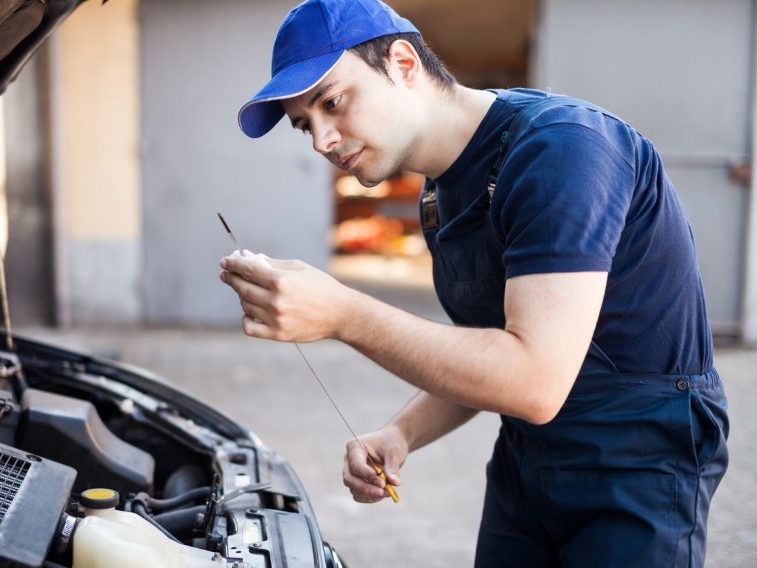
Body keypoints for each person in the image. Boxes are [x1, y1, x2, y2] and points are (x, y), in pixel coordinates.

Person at [219, 0, 730, 565]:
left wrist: (343, 314)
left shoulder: (561, 151)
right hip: (529, 458)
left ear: (403, 63)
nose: (321, 140)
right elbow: (488, 347)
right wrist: (402, 433)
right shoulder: (441, 192)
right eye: (304, 124)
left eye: (332, 103)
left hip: (639, 464)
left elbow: (532, 379)